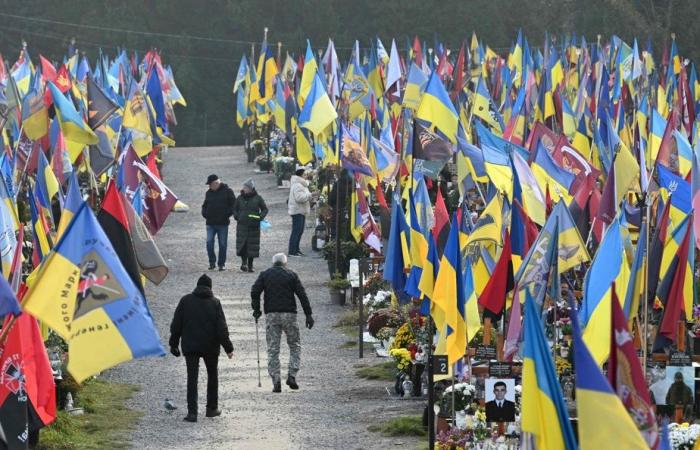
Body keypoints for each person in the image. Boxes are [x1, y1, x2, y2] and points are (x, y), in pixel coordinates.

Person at [169, 274, 234, 422]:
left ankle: (192, 413)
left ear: (197, 286)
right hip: (210, 347)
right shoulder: (215, 303)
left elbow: (176, 325)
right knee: (212, 376)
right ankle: (211, 409)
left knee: (192, 378)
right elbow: (221, 329)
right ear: (210, 287)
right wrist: (228, 348)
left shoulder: (185, 301)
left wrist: (173, 344)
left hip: (190, 346)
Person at [251, 253, 314, 393]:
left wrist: (256, 309)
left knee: (273, 348)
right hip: (289, 315)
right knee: (295, 345)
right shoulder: (291, 275)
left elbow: (255, 291)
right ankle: (292, 375)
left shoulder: (265, 274)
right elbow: (302, 295)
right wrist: (308, 314)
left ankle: (276, 379)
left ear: (273, 263)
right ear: (285, 264)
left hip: (272, 315)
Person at [201, 174, 236, 271]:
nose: (209, 186)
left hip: (223, 223)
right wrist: (204, 213)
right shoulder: (208, 193)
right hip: (210, 223)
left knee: (223, 244)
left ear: (216, 183)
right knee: (209, 243)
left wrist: (227, 214)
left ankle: (221, 264)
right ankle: (212, 262)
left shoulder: (228, 191)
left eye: (210, 184)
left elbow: (234, 204)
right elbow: (204, 205)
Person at [233, 178, 268, 272]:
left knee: (252, 246)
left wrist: (260, 217)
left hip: (254, 226)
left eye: (246, 187)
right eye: (244, 187)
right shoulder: (239, 198)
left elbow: (265, 209)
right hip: (242, 226)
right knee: (243, 245)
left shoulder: (258, 198)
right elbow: (234, 209)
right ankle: (244, 263)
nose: (244, 188)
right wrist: (237, 216)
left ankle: (250, 265)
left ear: (251, 188)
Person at [288, 165, 313, 256]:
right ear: (301, 175)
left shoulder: (301, 184)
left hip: (300, 210)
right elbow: (299, 198)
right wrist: (310, 195)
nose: (306, 176)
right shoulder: (298, 185)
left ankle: (296, 249)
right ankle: (292, 251)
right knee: (296, 231)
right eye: (305, 174)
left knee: (299, 231)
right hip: (297, 211)